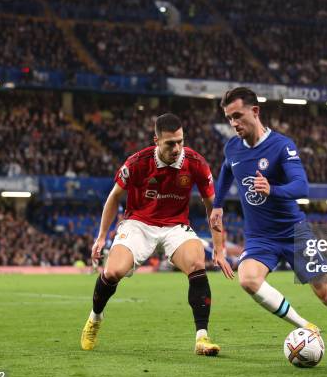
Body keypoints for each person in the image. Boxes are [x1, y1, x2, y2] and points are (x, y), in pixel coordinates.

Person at [209, 87, 327, 361]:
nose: (233, 124)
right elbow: (226, 169)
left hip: (293, 232)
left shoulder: (282, 146)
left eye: (237, 116)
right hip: (260, 237)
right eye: (229, 118)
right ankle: (305, 326)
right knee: (247, 279)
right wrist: (218, 203)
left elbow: (301, 186)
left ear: (255, 111)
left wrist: (273, 189)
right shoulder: (232, 147)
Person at [80, 113, 232, 355]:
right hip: (138, 223)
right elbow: (114, 197)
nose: (177, 148)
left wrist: (219, 249)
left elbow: (212, 206)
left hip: (175, 225)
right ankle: (95, 318)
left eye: (180, 141)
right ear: (156, 141)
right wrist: (101, 237)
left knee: (196, 263)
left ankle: (202, 338)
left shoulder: (195, 162)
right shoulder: (137, 163)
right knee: (112, 272)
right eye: (170, 143)